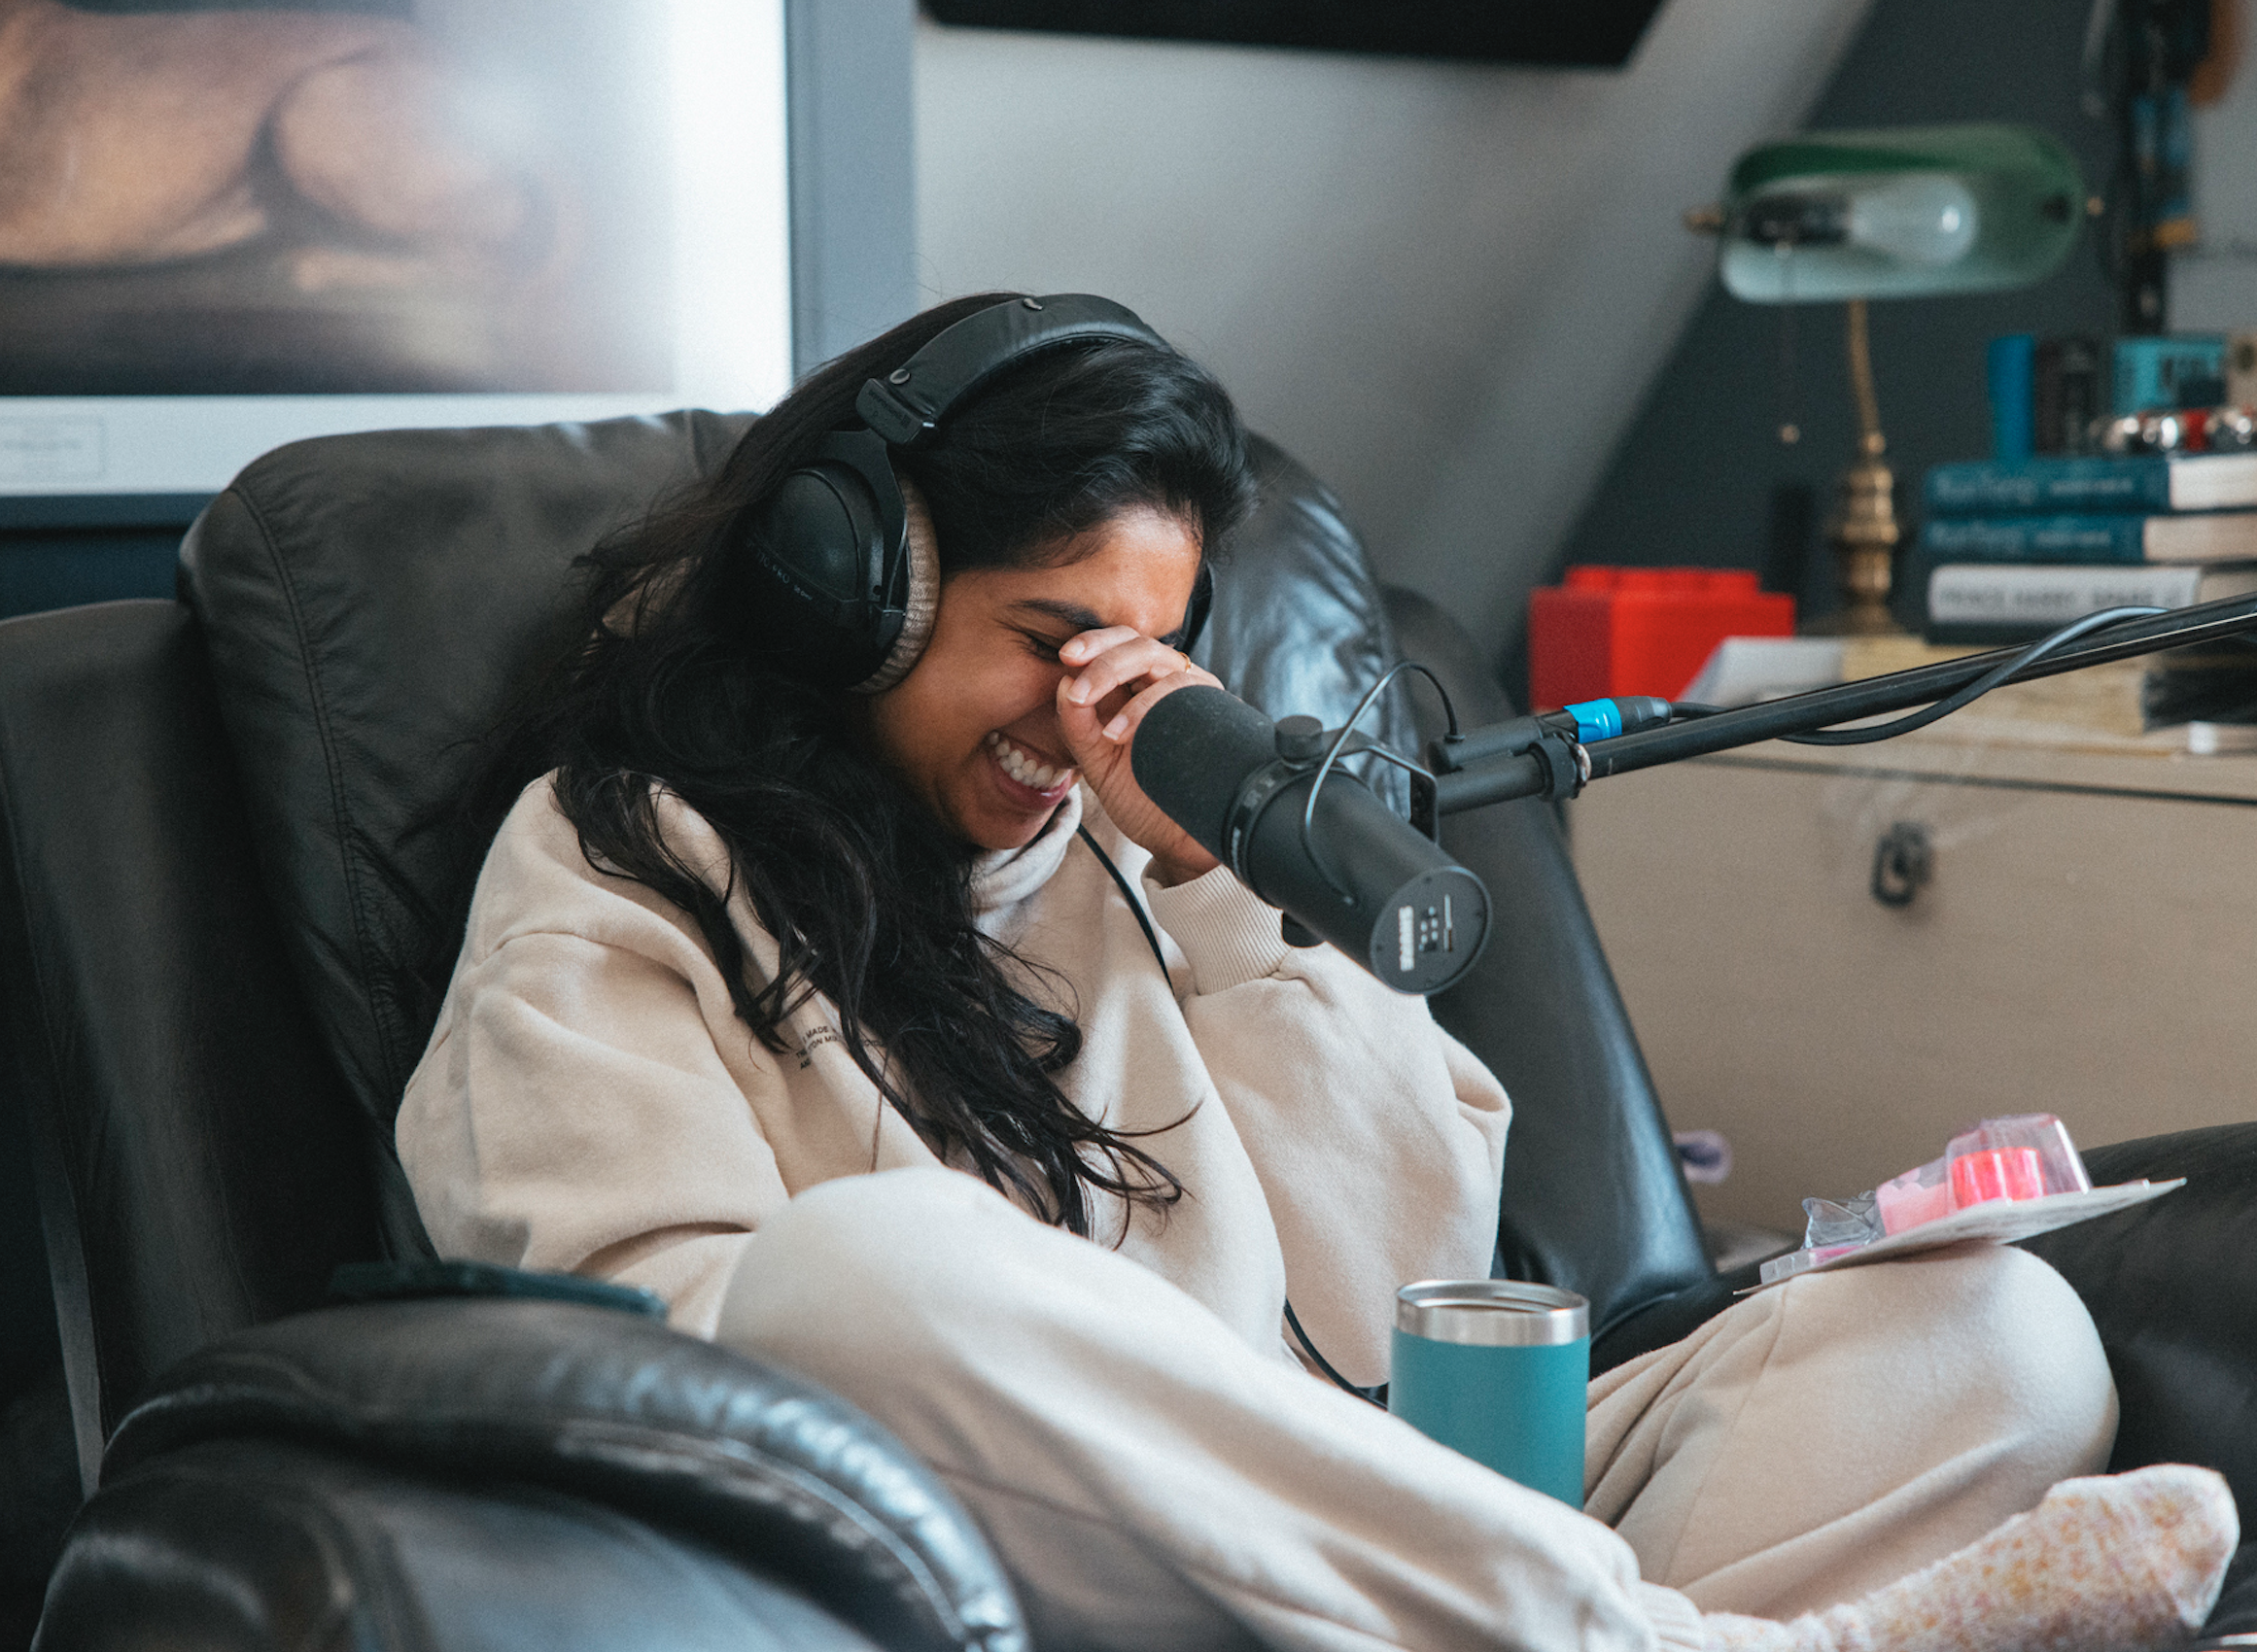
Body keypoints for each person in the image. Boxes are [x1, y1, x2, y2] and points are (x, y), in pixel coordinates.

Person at [398, 293, 2236, 1652]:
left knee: (1989, 1331)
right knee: (854, 1271)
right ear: (852, 580)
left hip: (1375, 1548)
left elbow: (1385, 1320)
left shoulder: (1146, 846)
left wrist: (1220, 887)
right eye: (1048, 638)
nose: (1084, 717)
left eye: (1144, 656)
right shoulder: (622, 863)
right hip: (1034, 1568)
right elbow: (654, 1379)